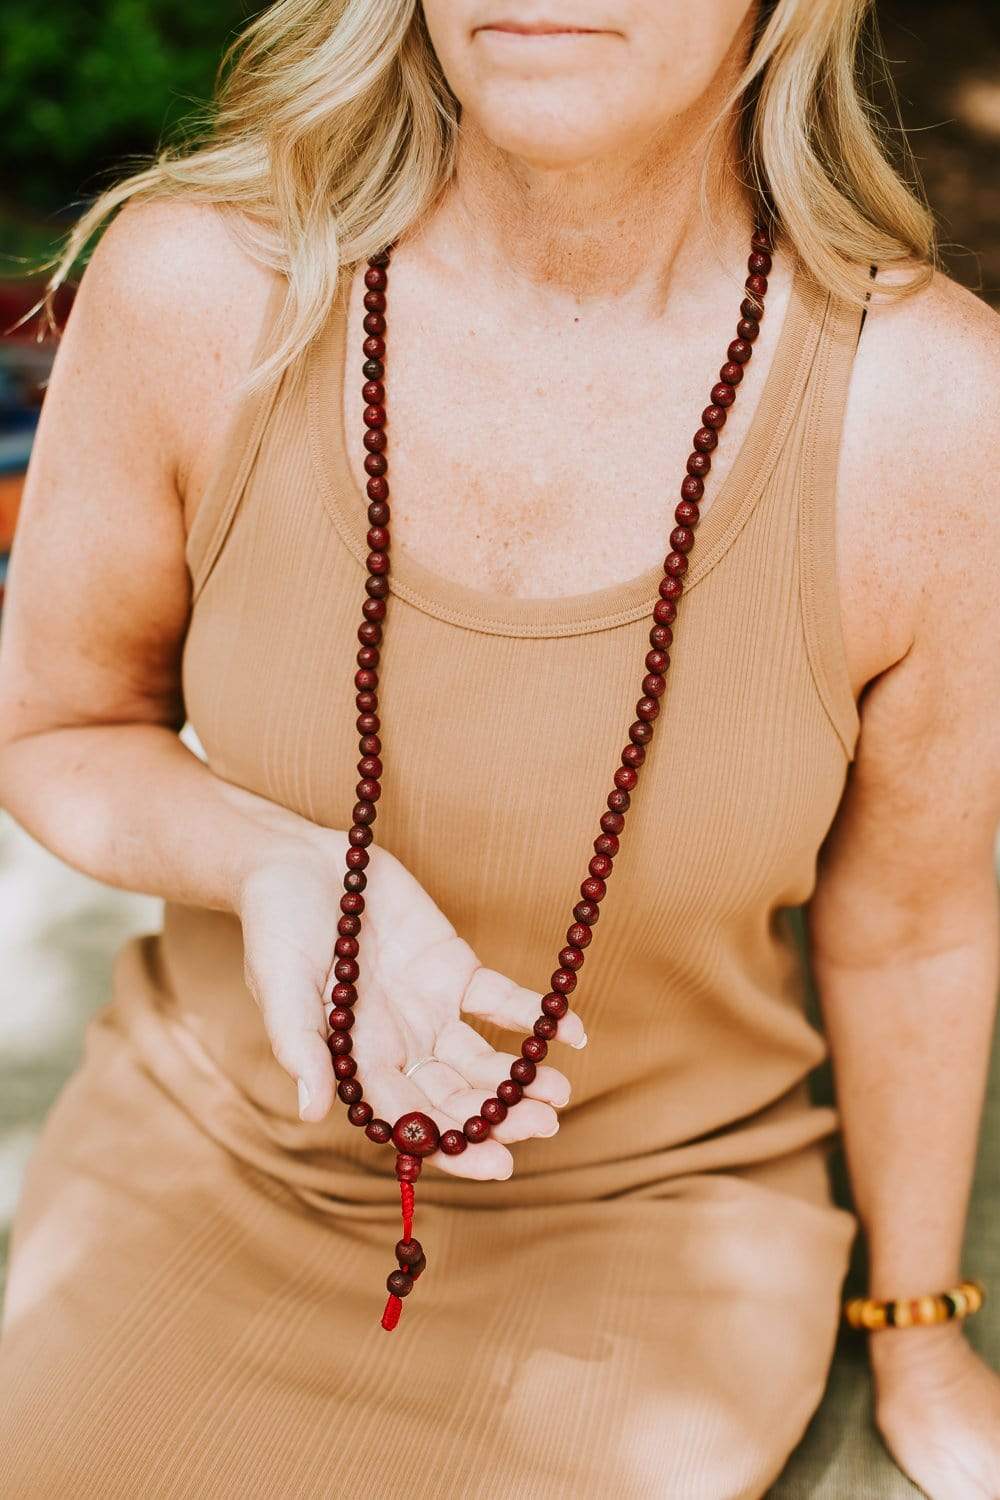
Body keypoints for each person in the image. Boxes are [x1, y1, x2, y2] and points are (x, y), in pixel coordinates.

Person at [1, 1, 998, 1496]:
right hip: (207, 1158)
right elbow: (58, 725)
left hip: (655, 1225)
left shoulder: (936, 414)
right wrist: (273, 861)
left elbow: (912, 928)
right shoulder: (197, 288)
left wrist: (919, 1335)